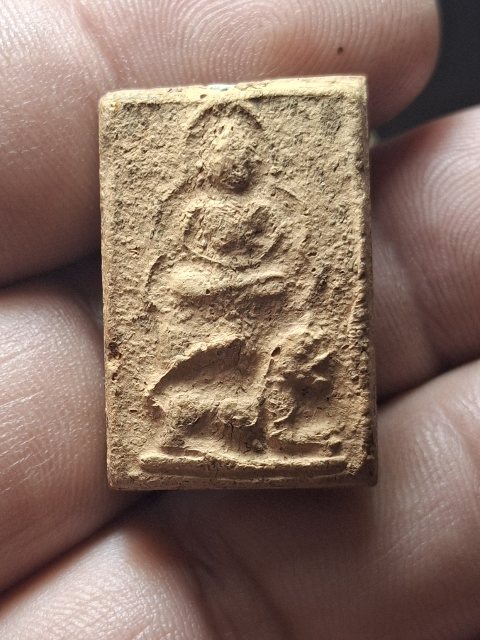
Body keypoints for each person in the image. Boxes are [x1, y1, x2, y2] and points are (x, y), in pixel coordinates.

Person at [0, 1, 478, 638]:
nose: (236, 162)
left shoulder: (277, 202)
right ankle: (214, 417)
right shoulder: (184, 204)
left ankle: (272, 421)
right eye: (223, 152)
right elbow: (162, 272)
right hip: (207, 299)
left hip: (267, 298)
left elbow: (302, 261)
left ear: (258, 155)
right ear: (202, 158)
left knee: (287, 311)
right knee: (189, 287)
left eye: (246, 151)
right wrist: (210, 284)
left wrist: (274, 282)